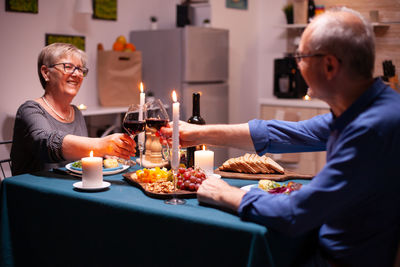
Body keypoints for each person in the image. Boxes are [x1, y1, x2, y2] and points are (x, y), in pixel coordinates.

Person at [161, 7, 400, 266]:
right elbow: (285, 133)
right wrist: (197, 133)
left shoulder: (372, 129)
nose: (297, 64)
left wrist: (224, 193)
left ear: (329, 65)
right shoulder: (364, 107)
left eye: (301, 56)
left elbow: (293, 213)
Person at [11, 43, 135, 175]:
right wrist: (100, 145)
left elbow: (80, 162)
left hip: (72, 189)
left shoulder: (75, 112)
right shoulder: (29, 110)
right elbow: (46, 143)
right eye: (68, 67)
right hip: (32, 192)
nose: (77, 74)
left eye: (80, 69)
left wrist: (105, 155)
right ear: (46, 73)